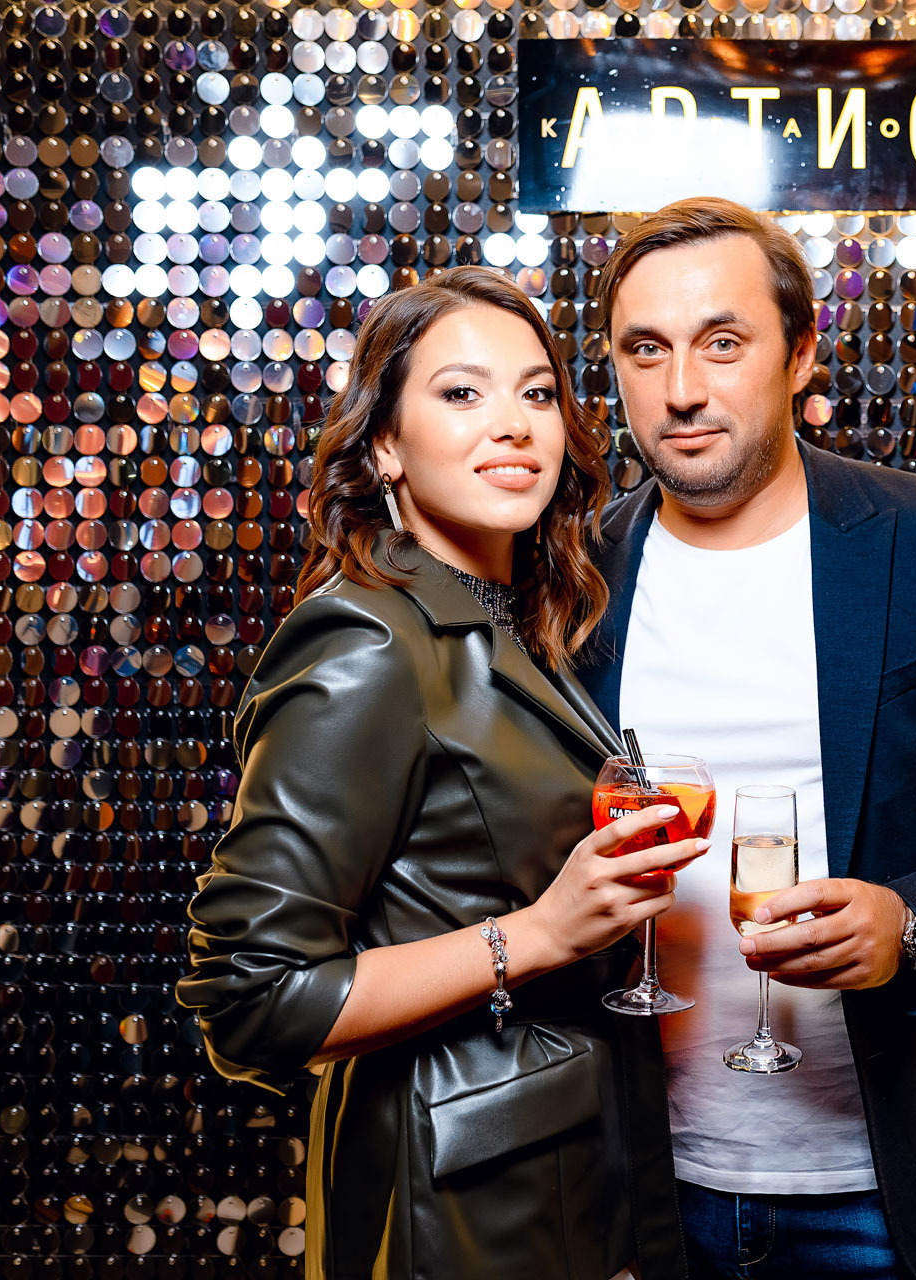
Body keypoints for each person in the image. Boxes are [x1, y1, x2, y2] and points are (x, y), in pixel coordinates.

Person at [575, 197, 916, 1280]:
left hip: (887, 1194)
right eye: (646, 349)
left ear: (800, 354)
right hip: (641, 1189)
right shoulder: (577, 574)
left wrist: (913, 920)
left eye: (722, 342)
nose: (681, 388)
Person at [177, 267, 690, 1280]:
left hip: (556, 1183)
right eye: (462, 393)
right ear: (385, 446)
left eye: (536, 393)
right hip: (454, 1209)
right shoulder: (368, 641)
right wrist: (539, 933)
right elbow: (252, 998)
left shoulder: (514, 623)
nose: (513, 424)